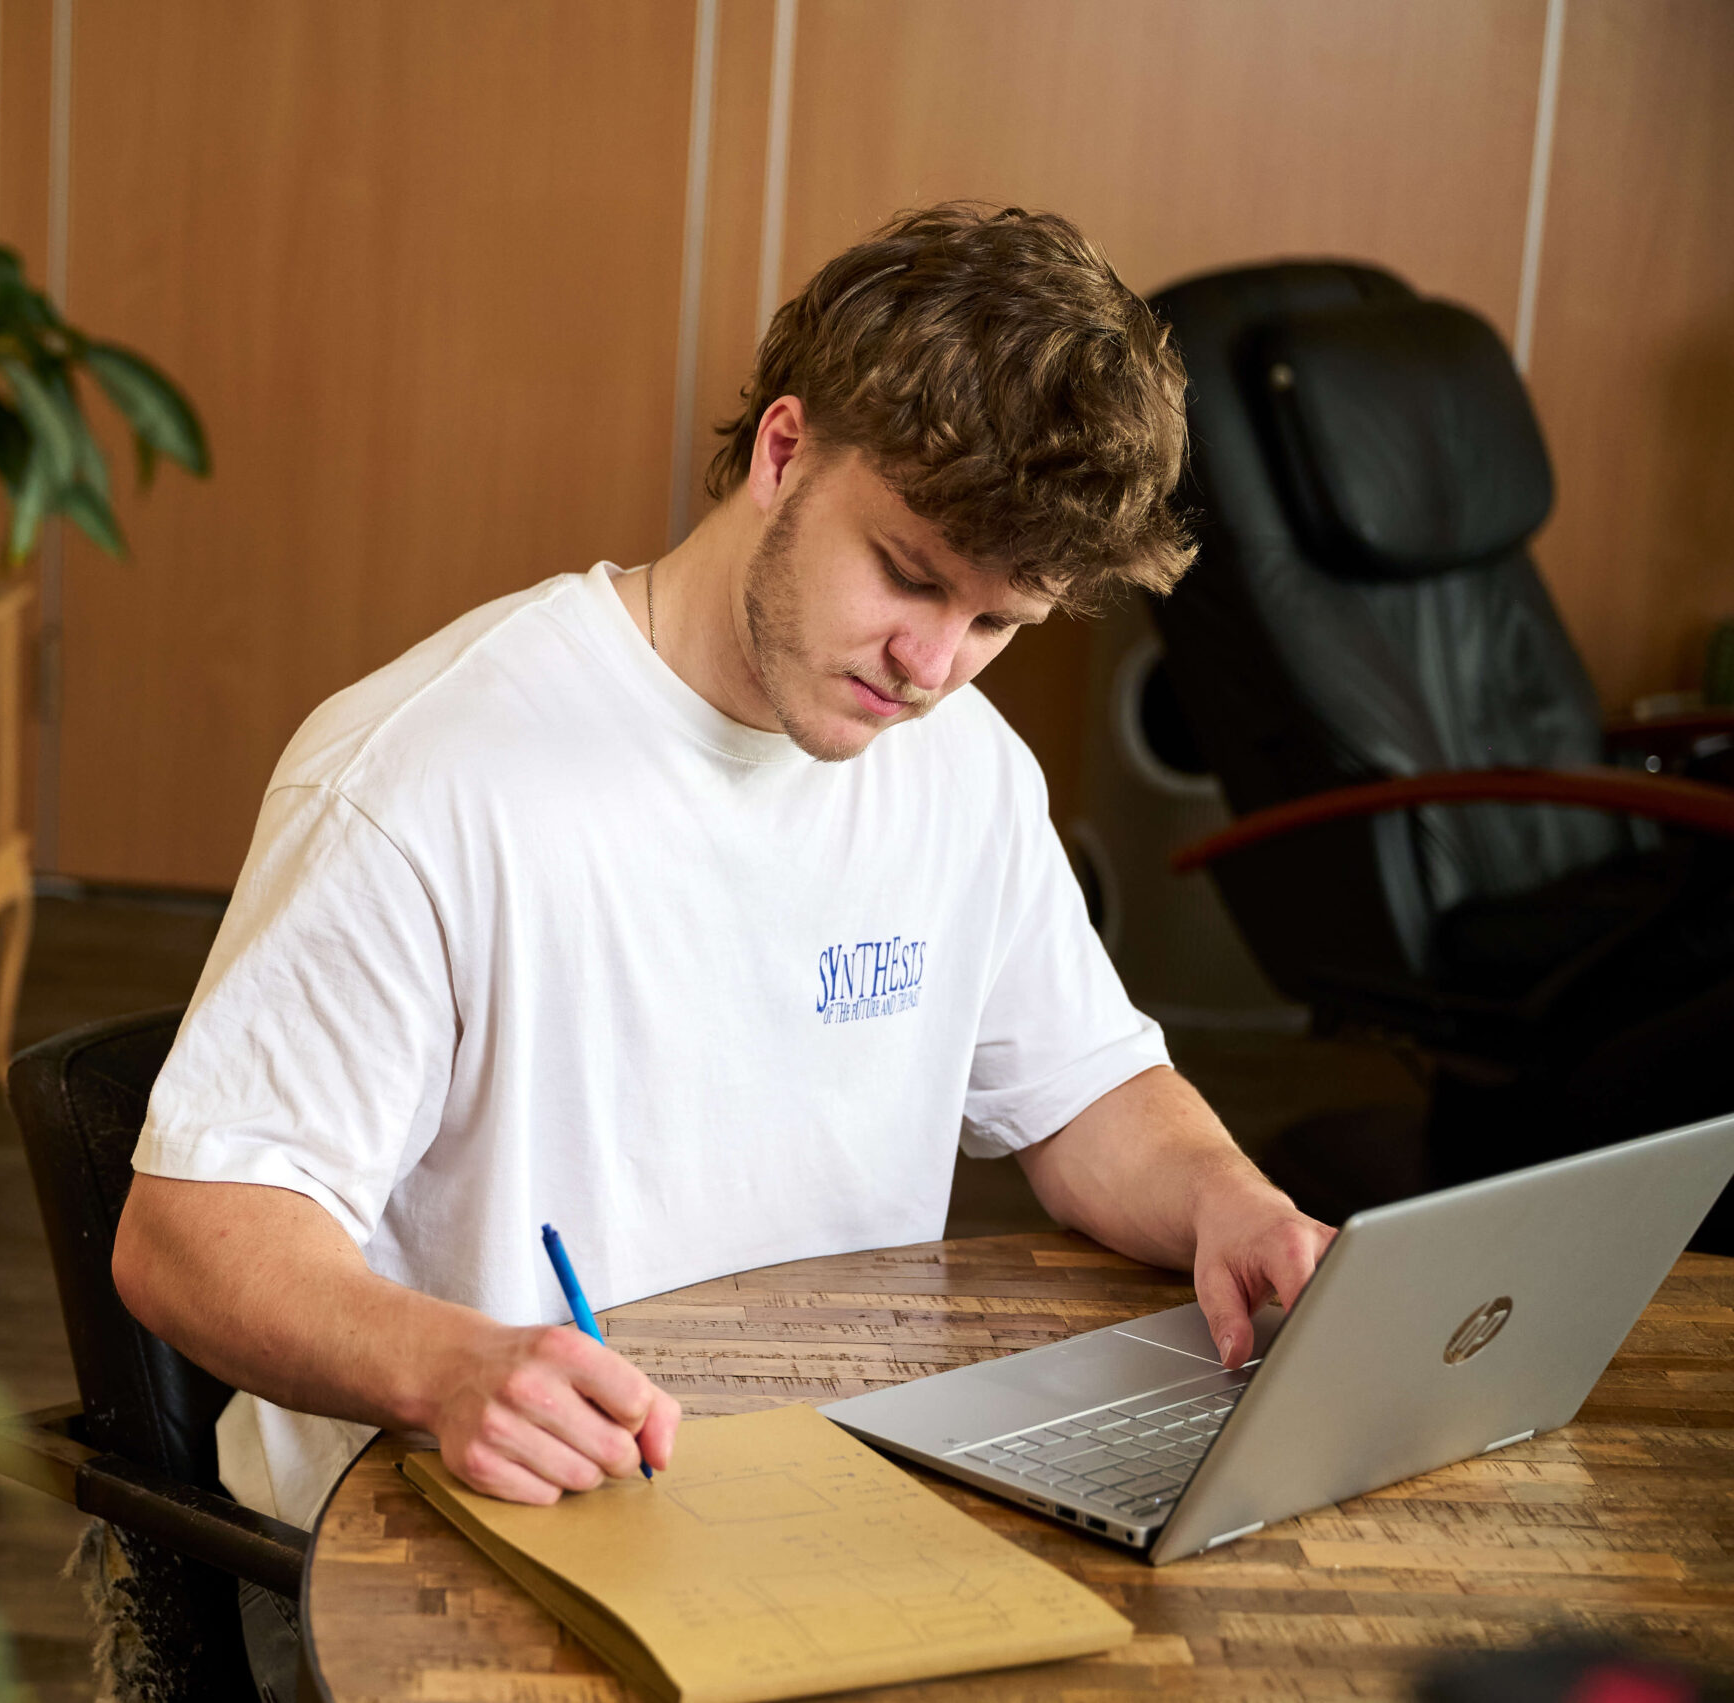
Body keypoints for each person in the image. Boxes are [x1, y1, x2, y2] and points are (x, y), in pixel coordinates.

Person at [113, 205, 1337, 1544]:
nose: (931, 666)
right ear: (783, 448)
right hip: (445, 1526)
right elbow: (186, 1236)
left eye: (996, 622)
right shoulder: (426, 777)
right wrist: (453, 1366)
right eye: (907, 575)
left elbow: (1085, 1094)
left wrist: (1230, 1196)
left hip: (804, 1502)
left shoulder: (963, 769)